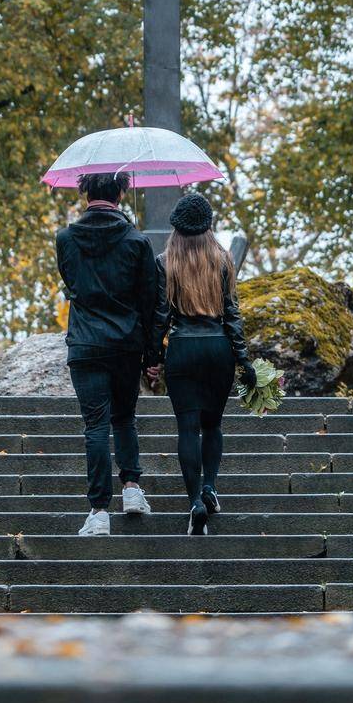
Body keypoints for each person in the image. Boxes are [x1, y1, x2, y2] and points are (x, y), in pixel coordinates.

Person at [56, 170, 161, 537]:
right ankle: (132, 489)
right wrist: (152, 356)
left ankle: (99, 511)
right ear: (121, 191)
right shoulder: (137, 241)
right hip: (125, 343)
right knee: (125, 418)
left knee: (95, 426)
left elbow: (72, 284)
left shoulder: (65, 239)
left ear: (84, 191)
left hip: (85, 344)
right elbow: (151, 302)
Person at [150, 192, 256, 535]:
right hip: (218, 350)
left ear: (177, 229)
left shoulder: (165, 261)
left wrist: (151, 357)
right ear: (208, 227)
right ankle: (210, 486)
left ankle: (195, 500)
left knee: (187, 429)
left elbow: (160, 317)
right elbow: (232, 315)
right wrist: (244, 360)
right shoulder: (223, 260)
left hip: (182, 350)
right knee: (213, 426)